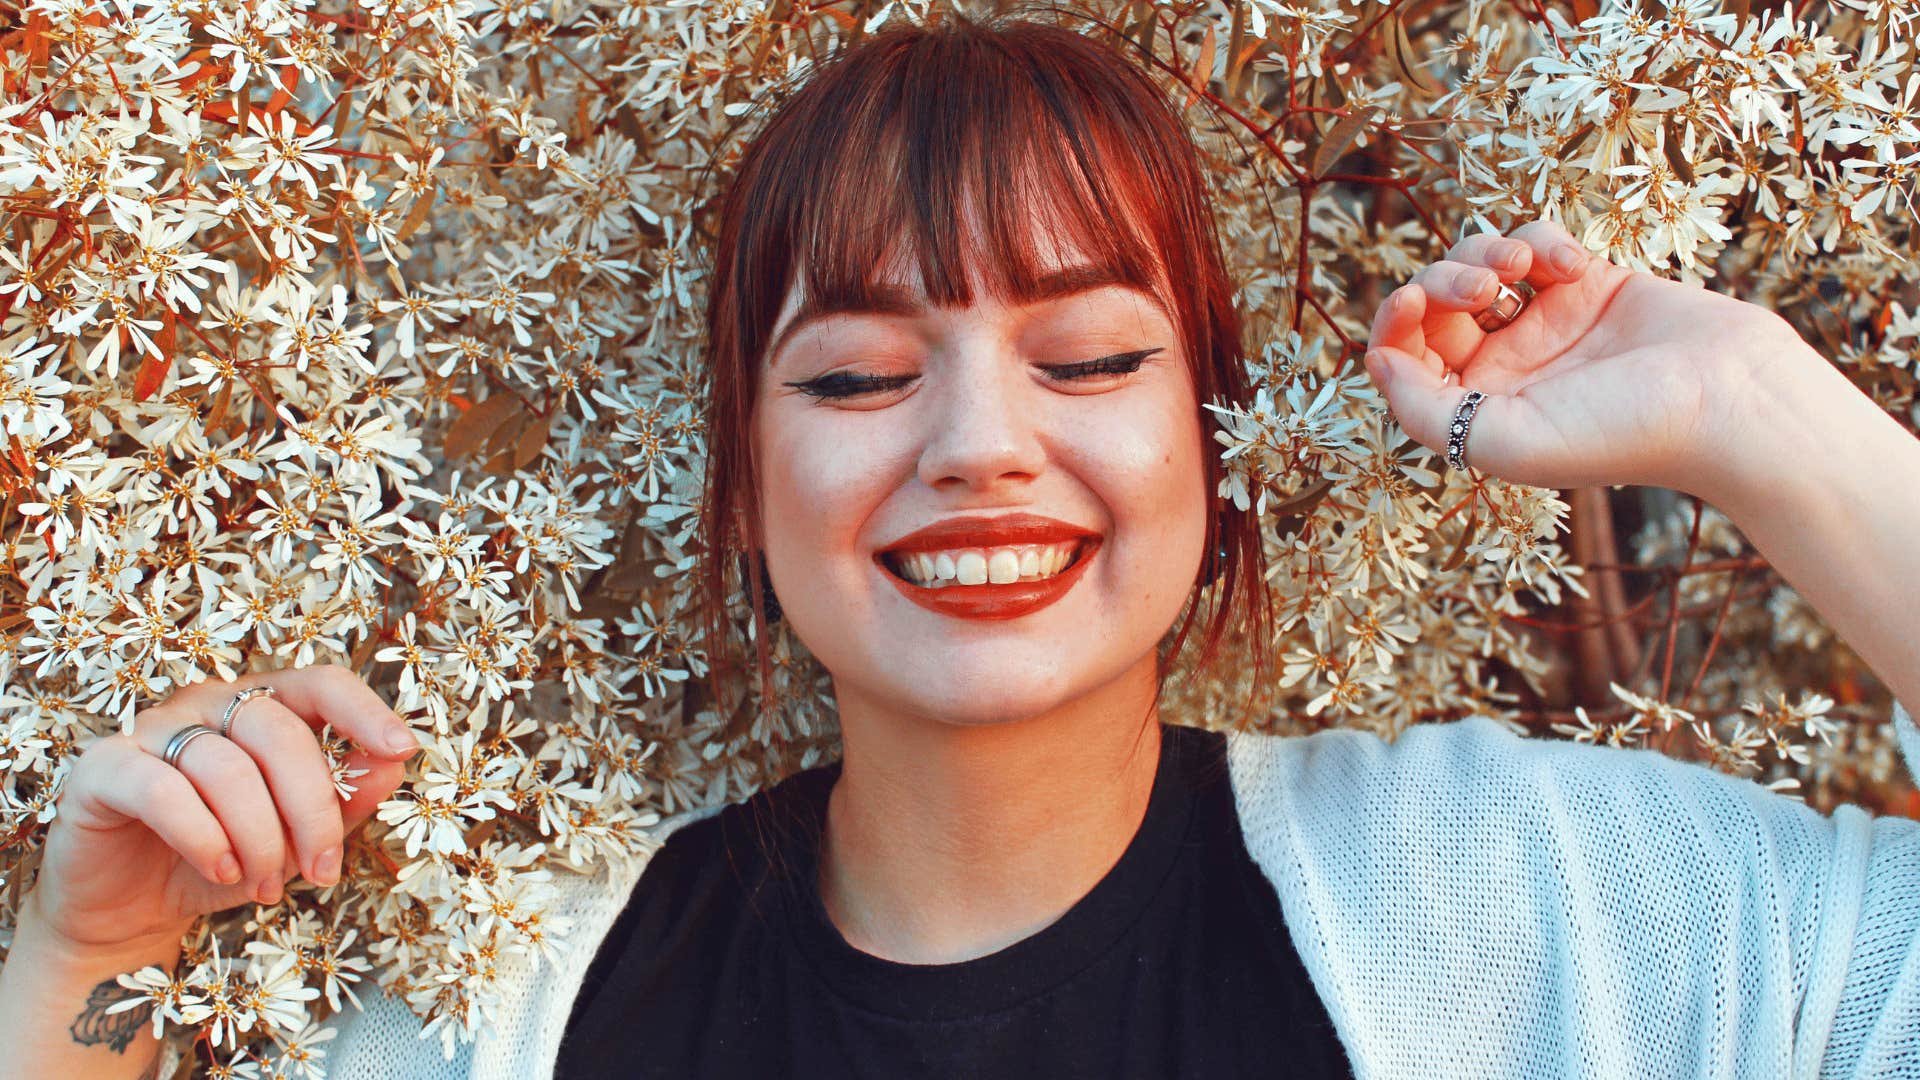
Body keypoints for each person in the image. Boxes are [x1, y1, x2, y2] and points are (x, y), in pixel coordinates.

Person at [5, 12, 1920, 1080]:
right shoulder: (503, 1015)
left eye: (1090, 354)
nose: (979, 446)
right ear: (741, 487)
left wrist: (1765, 415)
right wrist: (80, 967)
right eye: (853, 378)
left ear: (1216, 444)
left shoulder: (1532, 909)